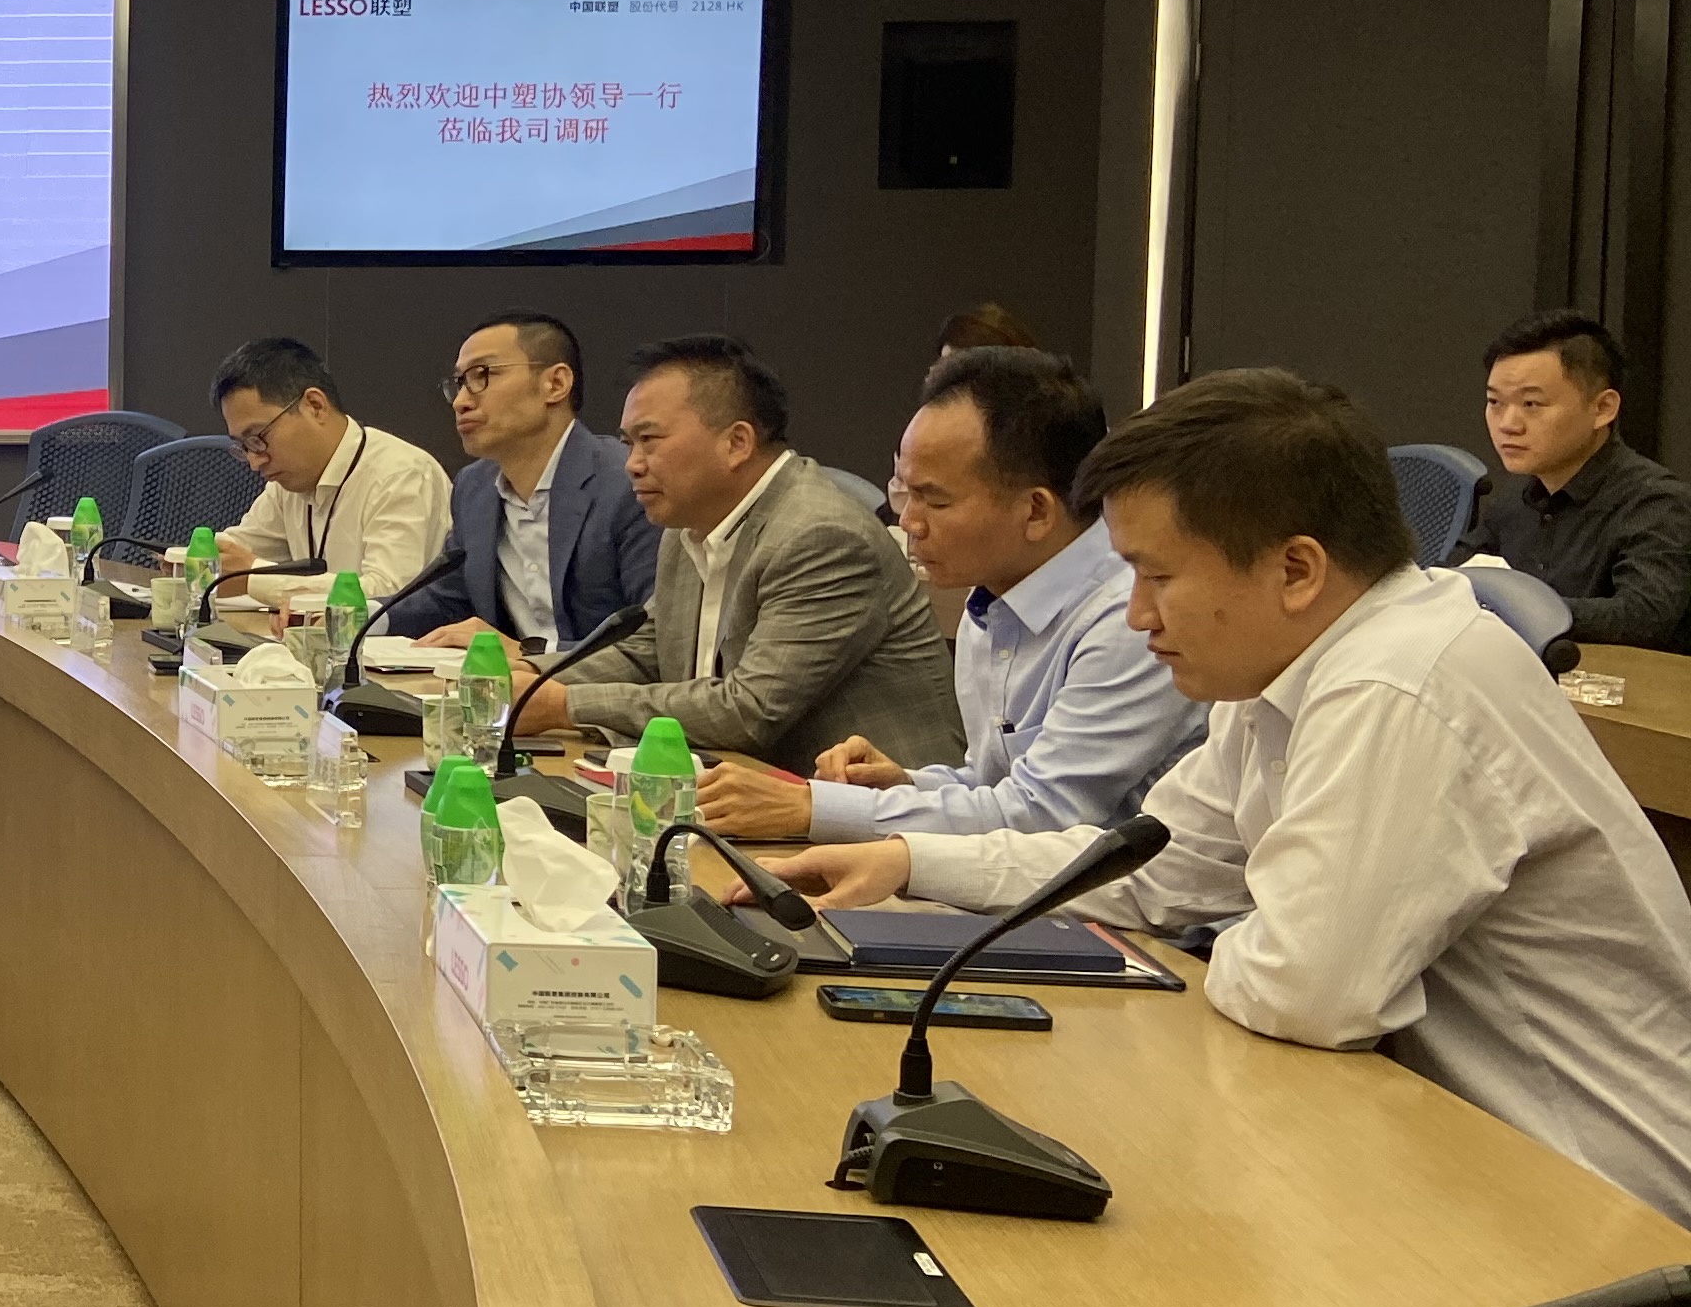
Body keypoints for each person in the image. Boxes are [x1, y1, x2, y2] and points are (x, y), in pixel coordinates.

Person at [772, 369, 1691, 1225]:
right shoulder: (1287, 668)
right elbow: (1143, 867)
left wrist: (1241, 931)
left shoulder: (1397, 684)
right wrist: (909, 861)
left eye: (1158, 577)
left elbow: (1306, 993)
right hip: (1464, 1149)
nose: (1137, 615)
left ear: (1295, 570)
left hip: (1603, 1195)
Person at [694, 346, 1197, 842]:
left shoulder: (1128, 619)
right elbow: (993, 782)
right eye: (904, 492)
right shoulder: (995, 600)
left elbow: (1044, 812)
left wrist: (813, 808)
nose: (909, 522)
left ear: (1036, 512)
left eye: (934, 500)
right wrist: (905, 785)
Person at [511, 333, 963, 772]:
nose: (632, 464)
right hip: (746, 787)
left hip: (876, 803)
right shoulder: (688, 528)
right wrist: (525, 676)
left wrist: (563, 705)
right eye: (629, 443)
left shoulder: (821, 535)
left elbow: (748, 710)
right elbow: (647, 652)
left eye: (649, 440)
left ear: (737, 443)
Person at [378, 312, 658, 653]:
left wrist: (528, 652)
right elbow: (447, 600)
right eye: (459, 383)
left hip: (595, 684)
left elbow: (653, 639)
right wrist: (349, 616)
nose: (461, 401)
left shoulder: (627, 482)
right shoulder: (474, 488)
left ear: (555, 384)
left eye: (482, 375)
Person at [1457, 309, 1691, 650]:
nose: (1508, 424)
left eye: (1531, 404)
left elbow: (1644, 616)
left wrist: (1517, 607)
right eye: (1495, 402)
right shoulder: (1516, 499)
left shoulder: (1656, 502)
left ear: (1602, 409)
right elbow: (1449, 576)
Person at [208, 336, 452, 601]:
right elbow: (234, 553)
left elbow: (390, 594)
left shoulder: (402, 474)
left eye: (258, 438)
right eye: (244, 447)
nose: (255, 462)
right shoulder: (288, 484)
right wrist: (196, 559)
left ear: (315, 406)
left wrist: (255, 577)